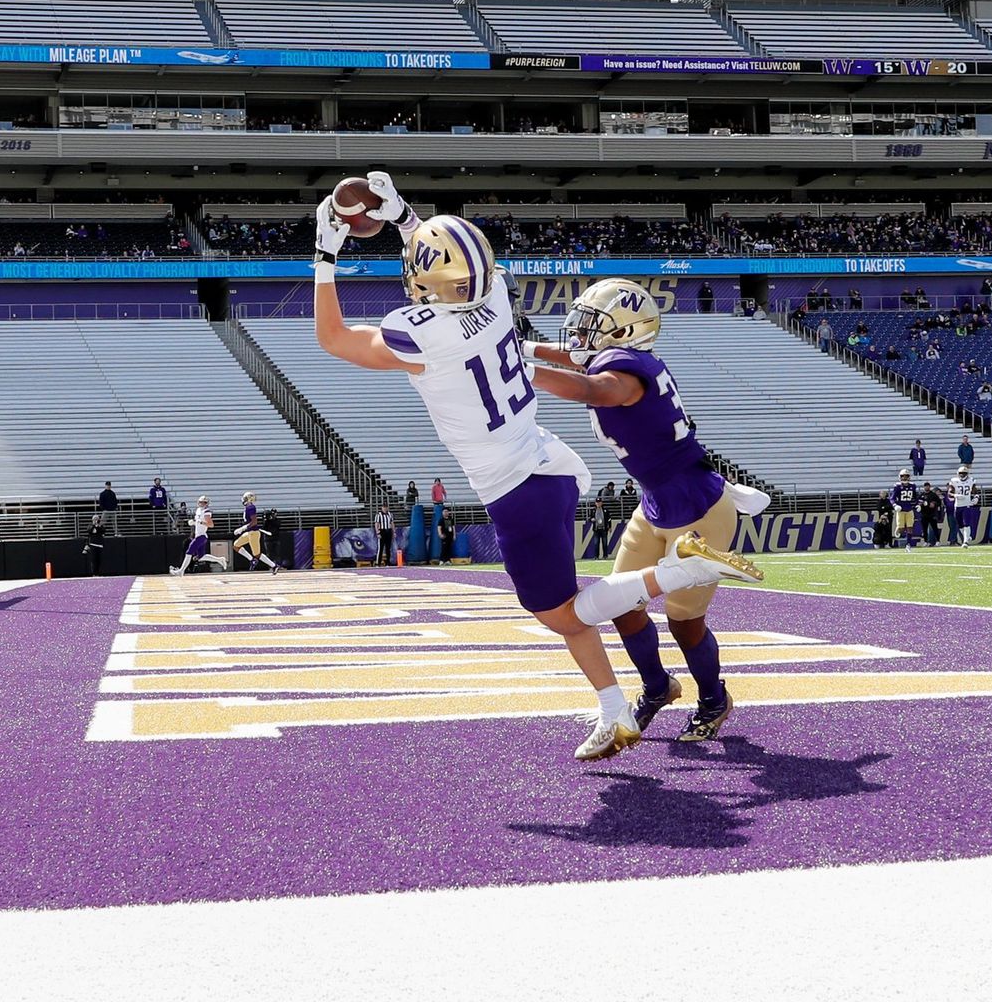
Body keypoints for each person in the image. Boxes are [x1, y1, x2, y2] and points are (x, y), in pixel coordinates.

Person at [310, 176, 757, 762]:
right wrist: (402, 216)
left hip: (517, 488)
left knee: (563, 614)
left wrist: (325, 253)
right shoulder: (494, 295)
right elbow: (449, 264)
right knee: (572, 612)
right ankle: (617, 706)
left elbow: (333, 337)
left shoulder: (424, 332)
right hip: (551, 459)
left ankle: (669, 581)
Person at [528, 278, 773, 742]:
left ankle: (712, 697)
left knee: (684, 623)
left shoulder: (623, 373)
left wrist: (520, 370)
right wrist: (520, 347)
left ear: (623, 332)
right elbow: (578, 362)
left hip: (699, 508)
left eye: (592, 325)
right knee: (623, 607)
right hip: (656, 502)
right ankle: (658, 687)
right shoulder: (620, 359)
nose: (580, 334)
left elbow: (598, 390)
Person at [233, 493, 278, 572]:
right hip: (250, 532)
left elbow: (254, 522)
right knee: (236, 546)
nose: (243, 499)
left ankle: (274, 566)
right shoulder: (248, 507)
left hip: (253, 533)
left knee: (257, 554)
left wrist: (242, 528)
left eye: (245, 498)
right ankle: (252, 560)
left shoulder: (251, 507)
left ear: (248, 499)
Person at [175, 495, 214, 574]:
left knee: (189, 552)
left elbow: (211, 524)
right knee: (201, 557)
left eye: (203, 502)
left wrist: (199, 522)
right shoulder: (198, 510)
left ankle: (181, 571)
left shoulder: (206, 512)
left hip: (201, 536)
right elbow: (198, 522)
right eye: (200, 502)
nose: (201, 504)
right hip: (199, 535)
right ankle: (220, 560)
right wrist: (193, 522)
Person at [946, 464, 978, 544]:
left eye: (964, 473)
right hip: (958, 505)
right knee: (960, 525)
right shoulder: (954, 481)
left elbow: (974, 491)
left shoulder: (971, 480)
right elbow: (949, 493)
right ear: (958, 473)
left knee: (966, 523)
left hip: (967, 505)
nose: (962, 475)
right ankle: (967, 537)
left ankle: (965, 542)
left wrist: (976, 497)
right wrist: (955, 495)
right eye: (961, 473)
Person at [372, 502, 396, 567]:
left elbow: (392, 523)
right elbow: (376, 524)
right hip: (382, 531)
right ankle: (378, 563)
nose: (385, 508)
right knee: (381, 548)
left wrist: (394, 532)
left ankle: (388, 563)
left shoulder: (390, 514)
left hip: (388, 531)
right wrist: (378, 532)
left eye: (386, 507)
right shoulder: (378, 515)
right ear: (382, 507)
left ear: (387, 507)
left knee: (388, 548)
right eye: (384, 507)